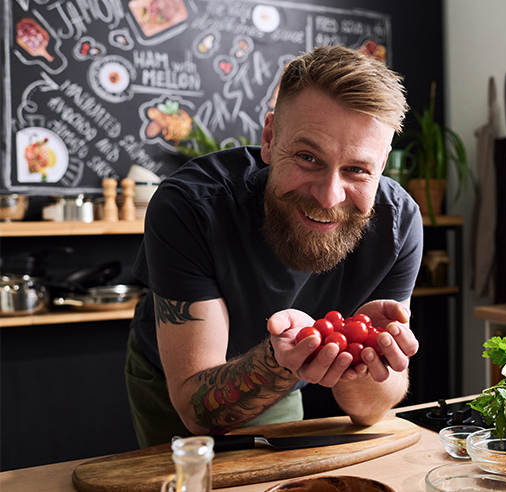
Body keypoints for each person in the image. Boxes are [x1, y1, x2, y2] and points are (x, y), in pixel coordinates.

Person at [125, 45, 423, 448]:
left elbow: (370, 411)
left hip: (280, 373)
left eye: (357, 169)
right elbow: (196, 411)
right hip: (180, 381)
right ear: (269, 138)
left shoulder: (398, 223)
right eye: (307, 157)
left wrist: (367, 358)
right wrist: (279, 363)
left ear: (382, 164)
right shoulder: (190, 206)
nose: (329, 196)